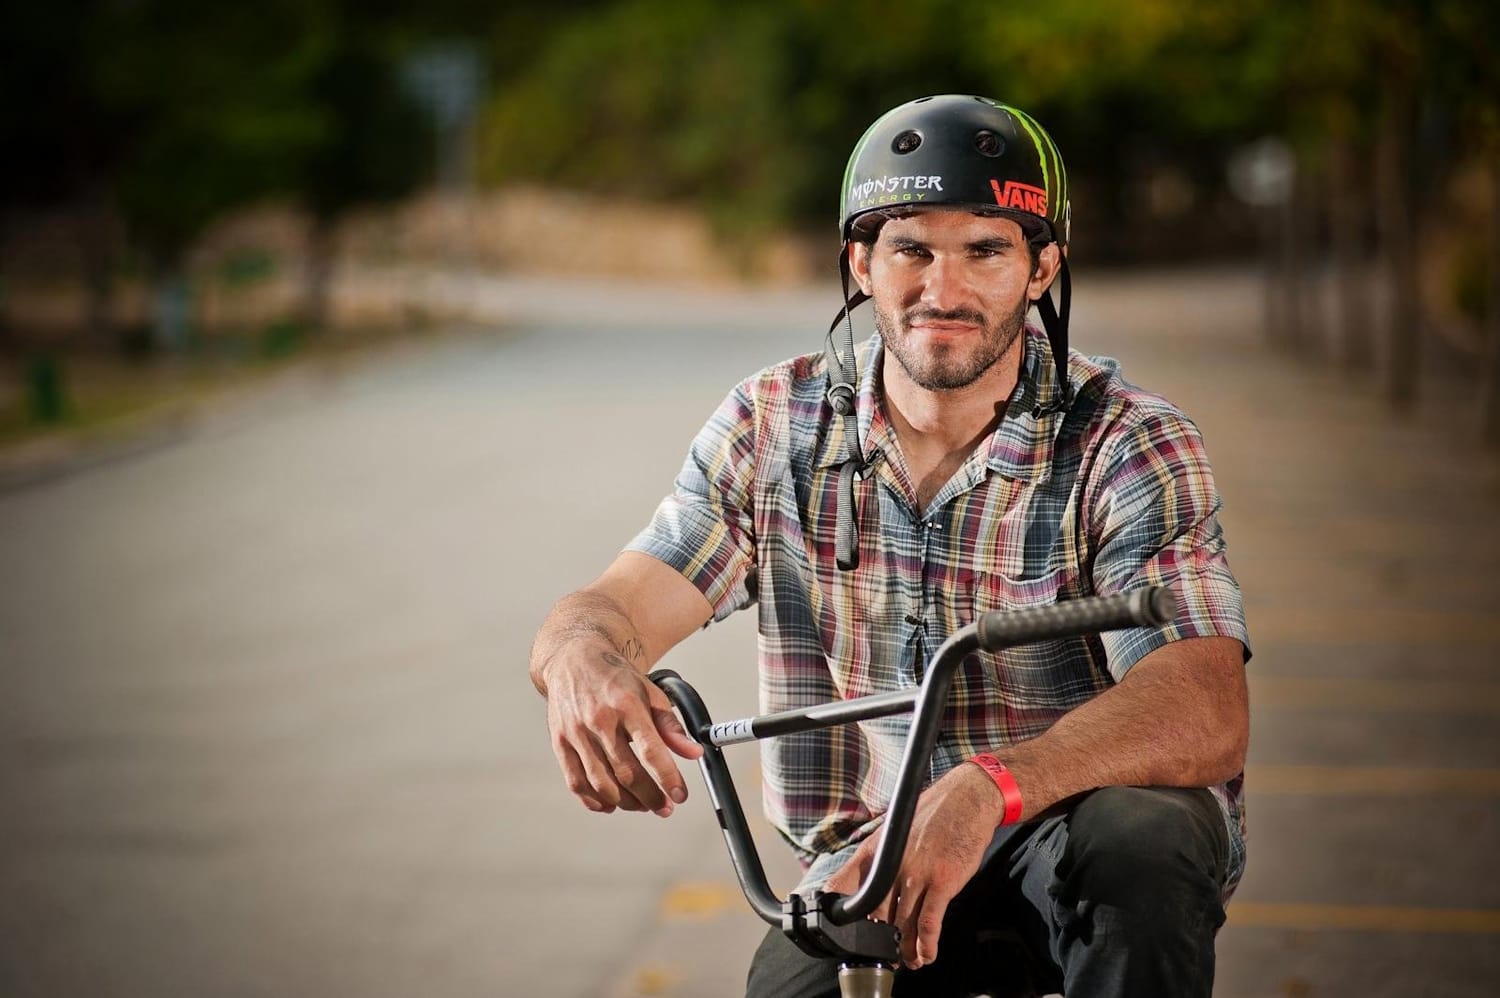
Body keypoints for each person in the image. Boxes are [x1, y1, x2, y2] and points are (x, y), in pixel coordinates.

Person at [528, 94, 1250, 998]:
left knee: (1148, 839)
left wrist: (992, 785)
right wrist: (580, 655)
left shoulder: (1129, 442)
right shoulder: (772, 425)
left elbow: (1205, 704)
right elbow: (622, 602)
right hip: (864, 863)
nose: (942, 291)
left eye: (986, 249)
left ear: (1042, 267)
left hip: (1068, 842)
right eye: (911, 249)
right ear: (861, 263)